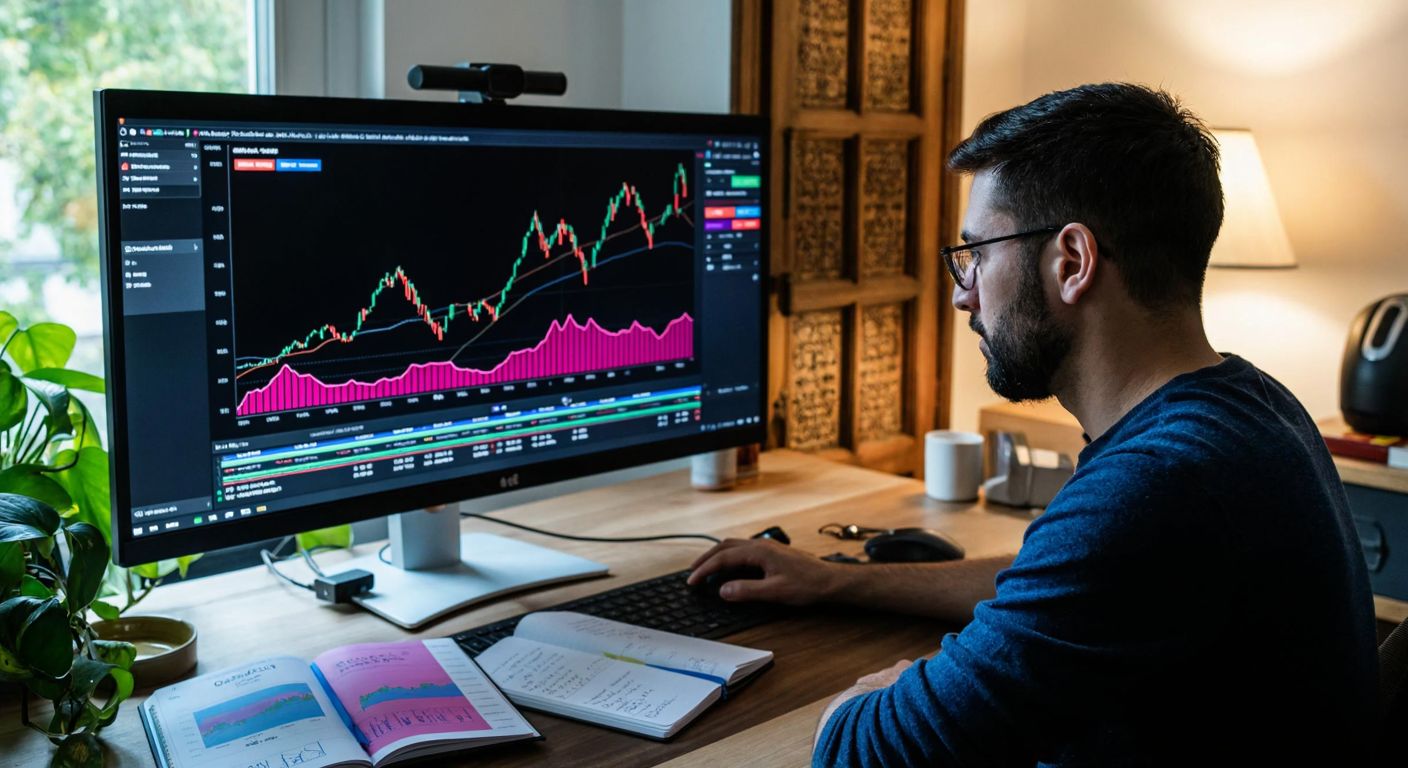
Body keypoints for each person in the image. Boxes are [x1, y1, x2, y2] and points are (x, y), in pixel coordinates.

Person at [687, 83, 1377, 766]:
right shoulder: (1254, 404)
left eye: (978, 253)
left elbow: (865, 753)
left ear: (1072, 262)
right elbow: (1052, 581)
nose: (963, 293)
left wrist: (868, 699)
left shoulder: (1157, 484)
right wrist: (838, 581)